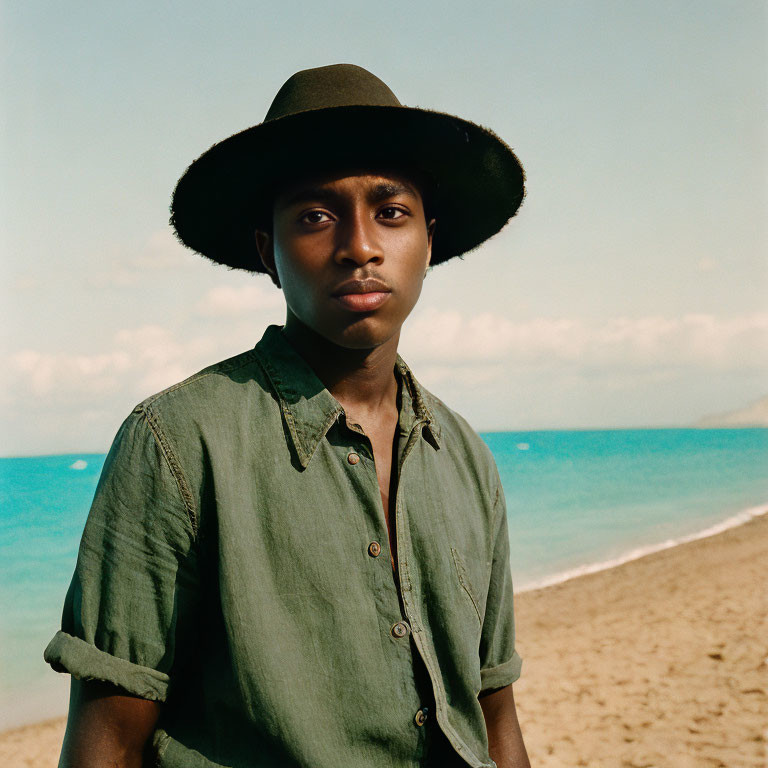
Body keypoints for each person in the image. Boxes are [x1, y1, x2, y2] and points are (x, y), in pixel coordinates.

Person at [44, 63, 530, 768]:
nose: (359, 245)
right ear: (268, 253)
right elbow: (107, 741)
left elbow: (494, 717)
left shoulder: (465, 458)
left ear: (429, 240)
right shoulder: (178, 442)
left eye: (391, 213)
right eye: (314, 216)